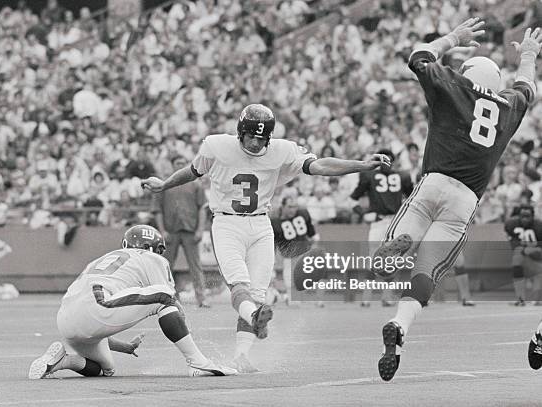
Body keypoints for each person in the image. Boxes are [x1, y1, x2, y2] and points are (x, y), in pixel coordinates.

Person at [142, 103, 391, 372]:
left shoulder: (280, 150)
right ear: (240, 132)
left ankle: (241, 355)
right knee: (240, 286)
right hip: (226, 224)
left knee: (258, 294)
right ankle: (255, 317)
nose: (256, 142)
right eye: (251, 136)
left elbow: (320, 166)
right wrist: (165, 184)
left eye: (262, 138)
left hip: (261, 225)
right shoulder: (217, 146)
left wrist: (362, 165)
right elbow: (192, 171)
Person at [372, 20, 542, 382]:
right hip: (464, 200)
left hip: (432, 183)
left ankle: (392, 252)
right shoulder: (507, 107)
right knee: (427, 274)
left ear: (467, 71)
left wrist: (454, 39)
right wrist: (528, 55)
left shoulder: (455, 85)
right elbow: (526, 89)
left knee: (395, 250)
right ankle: (399, 324)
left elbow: (418, 56)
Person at [28, 225, 236, 379]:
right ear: (149, 246)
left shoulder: (102, 260)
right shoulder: (151, 258)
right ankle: (197, 362)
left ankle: (63, 361)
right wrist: (185, 333)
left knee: (105, 369)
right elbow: (170, 301)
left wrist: (125, 347)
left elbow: (91, 325)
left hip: (67, 319)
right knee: (164, 296)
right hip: (97, 306)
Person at [351, 148, 413, 307]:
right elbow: (412, 199)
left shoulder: (369, 175)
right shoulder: (402, 176)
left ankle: (374, 297)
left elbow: (353, 200)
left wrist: (363, 213)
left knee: (380, 260)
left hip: (385, 222)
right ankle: (374, 297)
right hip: (393, 222)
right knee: (386, 259)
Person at [152, 155, 209, 308]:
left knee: (196, 266)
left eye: (183, 163)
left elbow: (202, 209)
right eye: (178, 163)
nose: (181, 165)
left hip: (190, 230)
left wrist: (200, 229)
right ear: (172, 165)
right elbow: (157, 211)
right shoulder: (164, 184)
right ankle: (165, 298)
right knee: (166, 266)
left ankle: (201, 298)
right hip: (170, 231)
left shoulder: (196, 185)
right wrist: (162, 231)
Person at [270, 195, 319, 305]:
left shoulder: (303, 213)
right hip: (288, 256)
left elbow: (312, 234)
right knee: (287, 280)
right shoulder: (275, 222)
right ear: (282, 206)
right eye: (290, 206)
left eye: (295, 206)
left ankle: (311, 298)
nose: (293, 209)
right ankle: (283, 295)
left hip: (304, 251)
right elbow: (274, 244)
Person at [505, 205, 542, 306]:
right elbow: (515, 246)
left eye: (527, 216)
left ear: (533, 216)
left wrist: (533, 249)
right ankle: (520, 298)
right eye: (522, 216)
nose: (524, 219)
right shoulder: (511, 224)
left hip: (539, 258)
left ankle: (536, 298)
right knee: (517, 258)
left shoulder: (539, 226)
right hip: (526, 257)